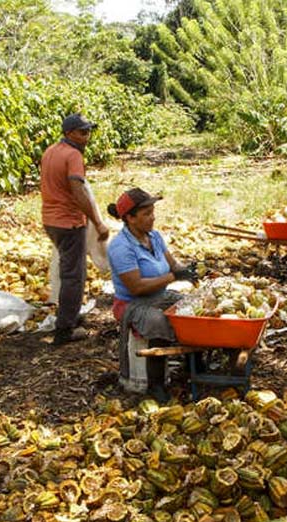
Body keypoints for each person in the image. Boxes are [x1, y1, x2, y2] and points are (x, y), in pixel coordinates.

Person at [107, 188, 196, 403]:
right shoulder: (120, 247)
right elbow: (136, 287)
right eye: (146, 214)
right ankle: (156, 383)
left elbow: (173, 265)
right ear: (130, 218)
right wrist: (173, 277)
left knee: (193, 308)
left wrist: (190, 271)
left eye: (153, 212)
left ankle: (194, 366)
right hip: (132, 303)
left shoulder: (154, 237)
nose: (152, 217)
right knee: (158, 321)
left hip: (159, 295)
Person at [40, 113, 111, 345]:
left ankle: (70, 314)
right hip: (68, 222)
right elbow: (78, 191)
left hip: (50, 220)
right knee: (74, 276)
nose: (87, 136)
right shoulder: (73, 155)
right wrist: (97, 222)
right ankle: (65, 330)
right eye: (82, 132)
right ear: (69, 133)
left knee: (69, 271)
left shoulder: (51, 151)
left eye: (89, 131)